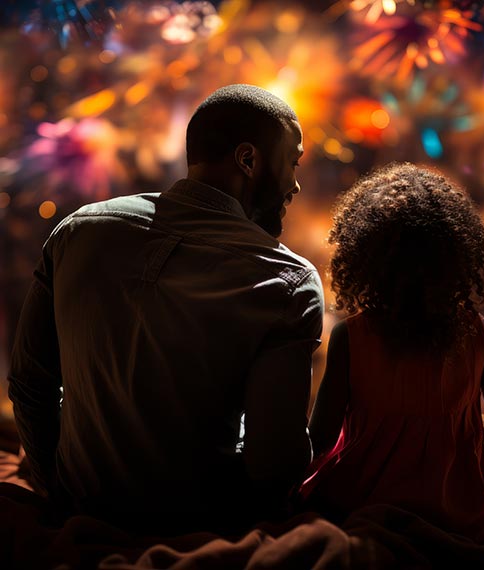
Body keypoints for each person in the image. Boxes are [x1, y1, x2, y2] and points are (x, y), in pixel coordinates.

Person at [8, 84, 324, 533]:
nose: (294, 183)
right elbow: (273, 466)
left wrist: (57, 491)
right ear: (249, 160)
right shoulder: (287, 281)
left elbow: (29, 382)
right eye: (292, 163)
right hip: (198, 527)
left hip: (83, 507)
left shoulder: (77, 230)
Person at [297, 163, 484, 542]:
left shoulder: (349, 337)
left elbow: (321, 435)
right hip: (455, 504)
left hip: (360, 495)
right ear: (457, 259)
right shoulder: (479, 332)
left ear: (364, 261)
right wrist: (482, 466)